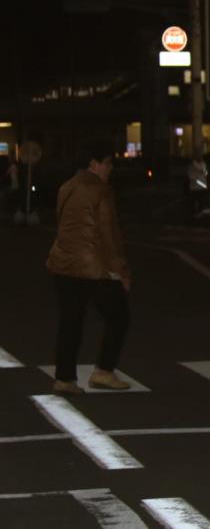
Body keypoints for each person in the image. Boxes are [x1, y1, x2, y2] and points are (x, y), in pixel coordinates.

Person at [46, 141, 132, 394]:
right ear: (94, 164)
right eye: (107, 163)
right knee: (119, 316)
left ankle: (64, 378)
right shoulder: (101, 190)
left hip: (63, 262)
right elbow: (109, 234)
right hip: (93, 265)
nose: (110, 168)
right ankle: (104, 371)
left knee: (70, 320)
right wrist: (122, 271)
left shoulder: (66, 186)